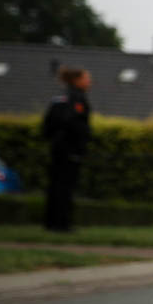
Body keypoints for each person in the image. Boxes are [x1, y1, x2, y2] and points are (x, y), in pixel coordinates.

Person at [40, 65, 92, 232]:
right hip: (70, 149)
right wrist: (81, 141)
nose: (89, 82)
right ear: (76, 80)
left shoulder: (59, 98)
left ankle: (50, 222)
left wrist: (53, 140)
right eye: (86, 78)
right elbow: (74, 122)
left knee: (55, 185)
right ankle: (62, 224)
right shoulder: (76, 98)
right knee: (66, 187)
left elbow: (47, 125)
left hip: (57, 148)